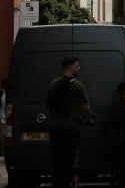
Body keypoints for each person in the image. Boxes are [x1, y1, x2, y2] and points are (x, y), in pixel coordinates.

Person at [46, 56, 92, 188]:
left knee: (56, 162)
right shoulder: (77, 85)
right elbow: (87, 107)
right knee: (68, 162)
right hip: (70, 130)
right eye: (77, 65)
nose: (79, 67)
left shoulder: (53, 84)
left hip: (55, 130)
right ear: (70, 67)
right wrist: (87, 119)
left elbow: (53, 104)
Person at [0, 79, 8, 159]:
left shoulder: (13, 94)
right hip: (3, 119)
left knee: (9, 137)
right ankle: (4, 154)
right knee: (3, 137)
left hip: (10, 119)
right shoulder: (1, 94)